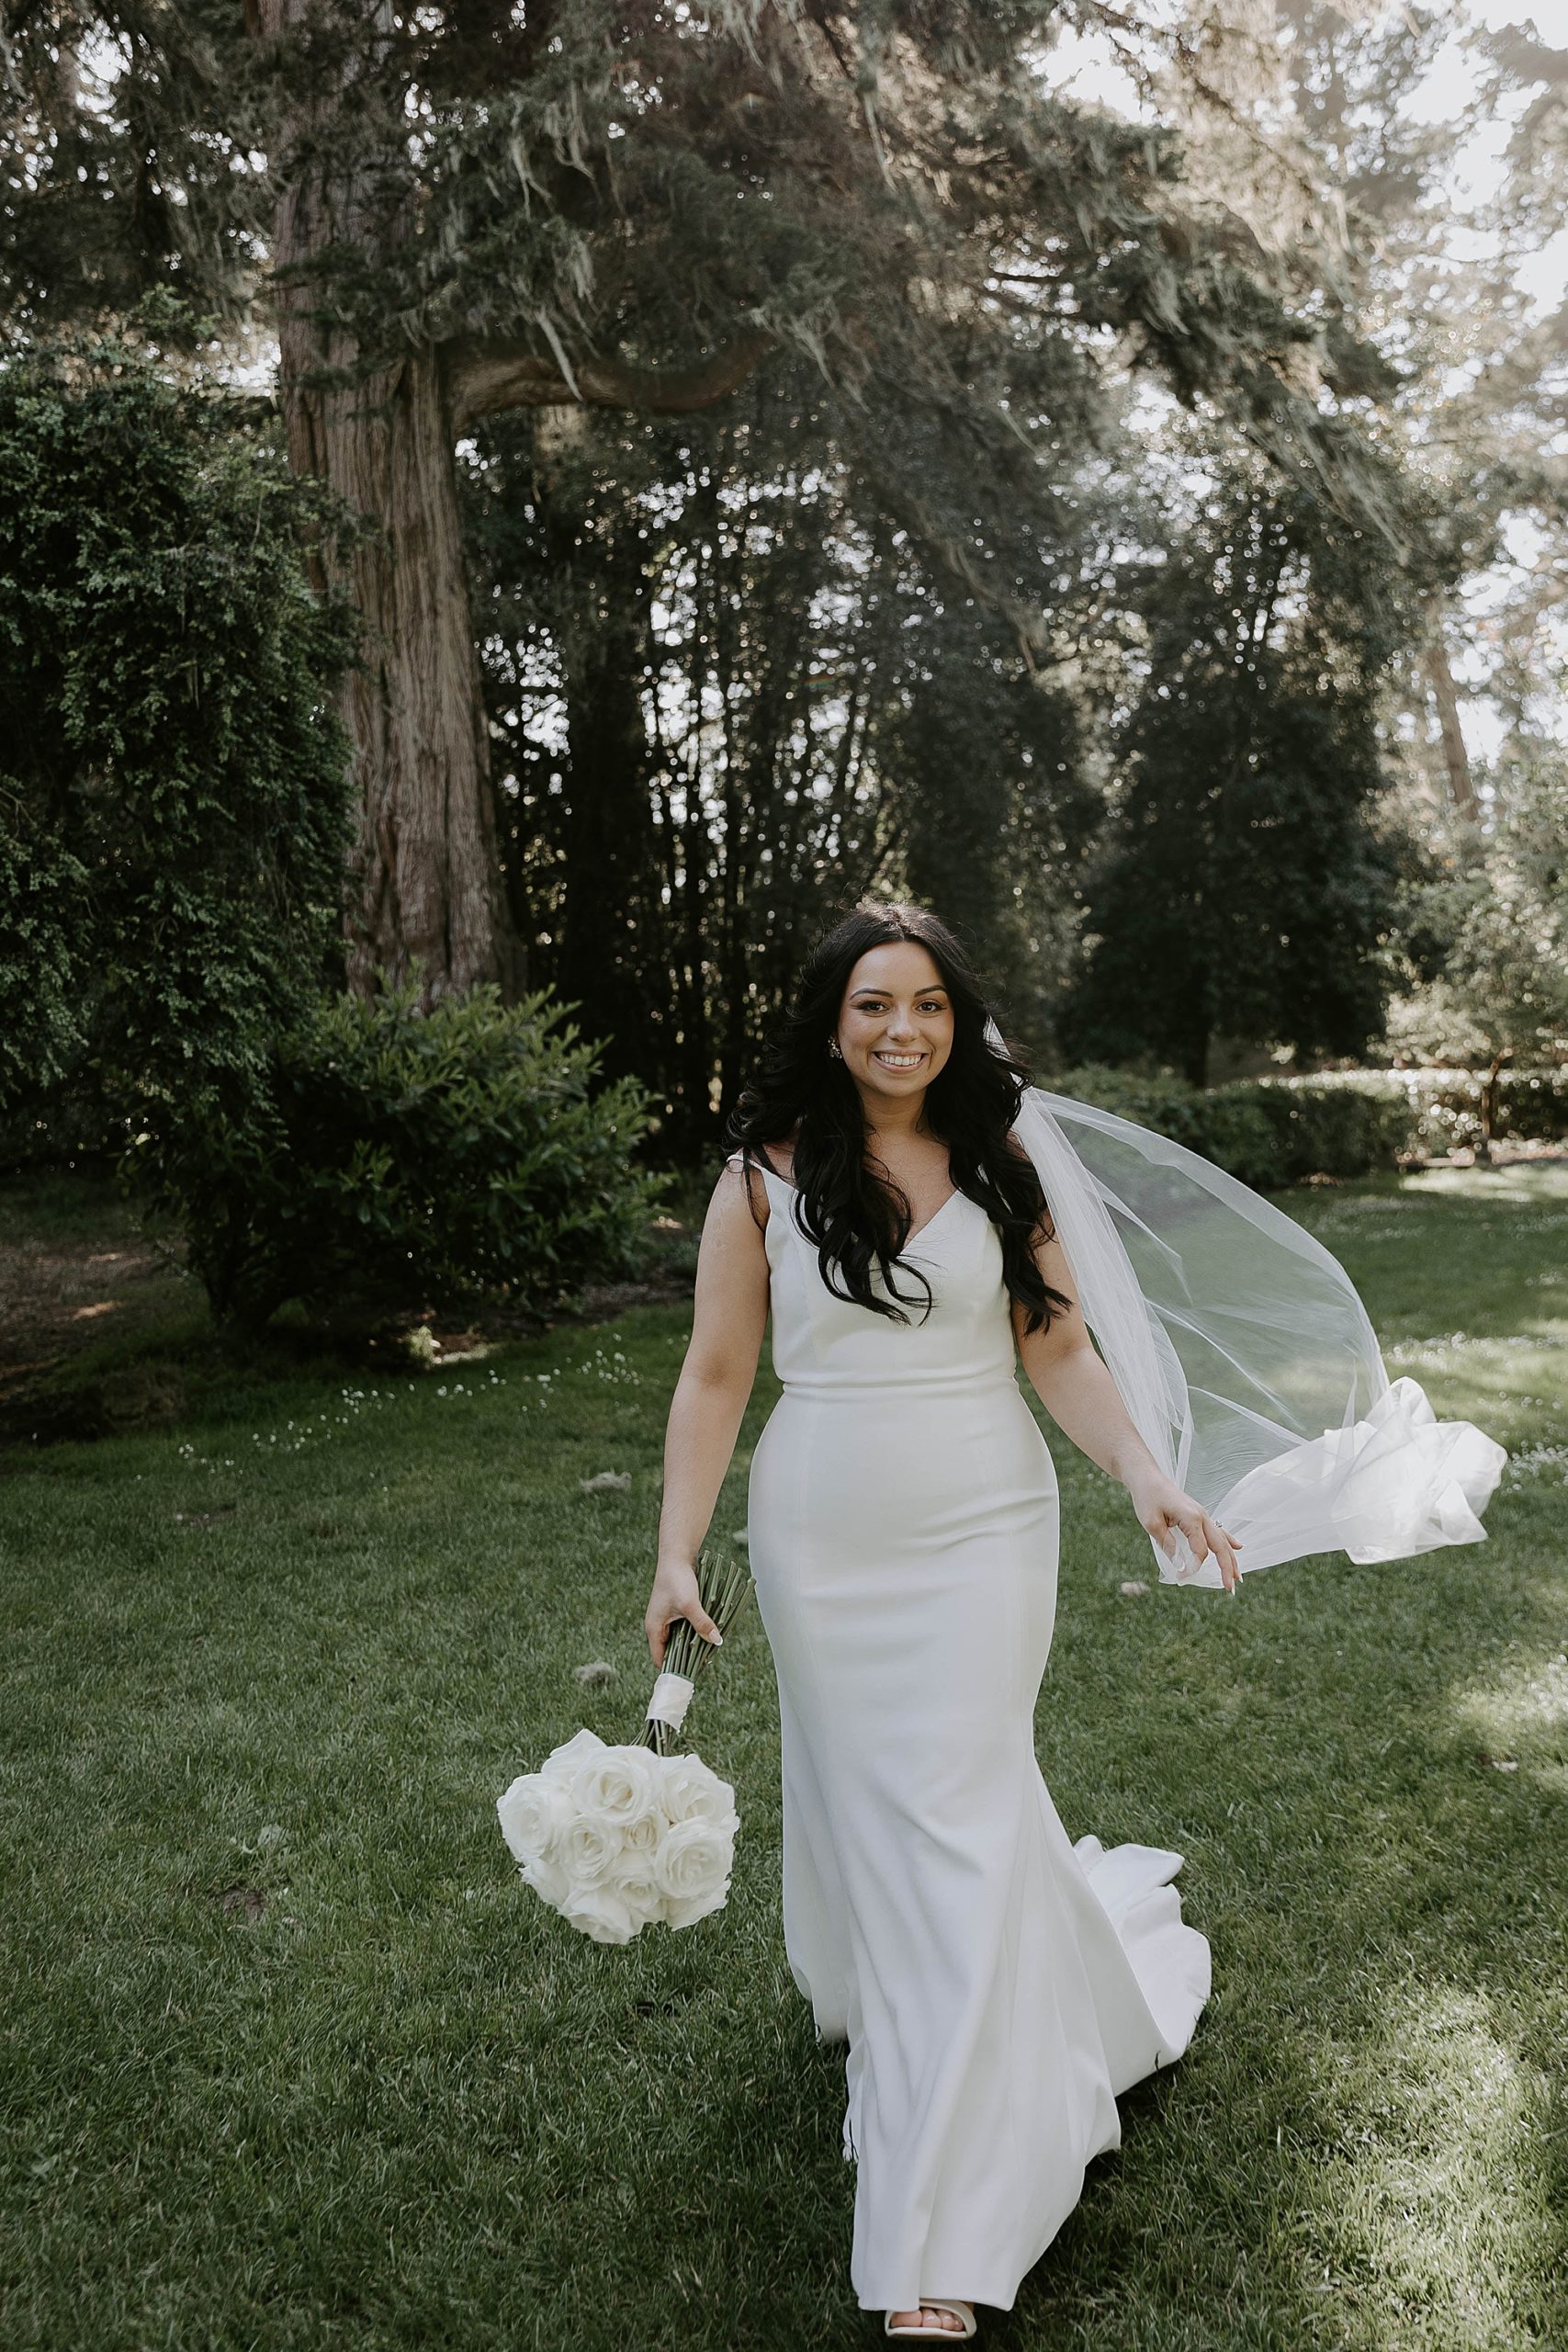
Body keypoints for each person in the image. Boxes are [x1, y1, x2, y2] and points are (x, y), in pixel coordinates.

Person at [643, 902, 1235, 2338]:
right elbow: (717, 1374)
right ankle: (925, 2049)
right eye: (872, 1004)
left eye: (925, 1004)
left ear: (958, 1021)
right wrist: (675, 1556)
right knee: (884, 1822)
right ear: (831, 1021)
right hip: (822, 1536)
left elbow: (1059, 1347)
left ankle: (952, 2232)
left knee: (958, 1813)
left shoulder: (1000, 1160)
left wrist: (1144, 1473)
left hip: (986, 1527)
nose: (900, 1029)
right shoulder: (762, 1178)